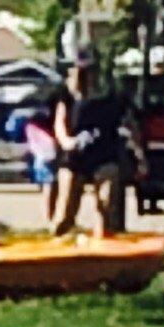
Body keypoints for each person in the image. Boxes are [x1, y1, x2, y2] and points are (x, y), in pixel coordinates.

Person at [53, 50, 146, 236]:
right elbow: (60, 123)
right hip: (76, 155)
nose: (85, 75)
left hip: (104, 153)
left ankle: (103, 245)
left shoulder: (113, 96)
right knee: (65, 215)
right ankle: (56, 244)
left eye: (89, 70)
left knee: (105, 206)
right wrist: (67, 142)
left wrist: (140, 155)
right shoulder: (68, 95)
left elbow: (131, 126)